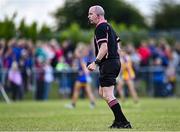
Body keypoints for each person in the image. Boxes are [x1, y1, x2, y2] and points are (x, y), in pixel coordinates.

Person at [87, 5, 132, 129]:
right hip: (113, 62)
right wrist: (116, 59)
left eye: (91, 14)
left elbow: (104, 47)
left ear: (98, 15)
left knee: (108, 94)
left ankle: (123, 122)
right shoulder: (109, 26)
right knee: (103, 92)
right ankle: (119, 121)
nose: (89, 16)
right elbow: (118, 45)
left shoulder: (100, 27)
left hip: (108, 63)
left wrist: (95, 62)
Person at [65, 43, 95, 109]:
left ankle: (73, 104)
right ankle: (92, 103)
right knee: (87, 90)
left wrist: (86, 74)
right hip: (84, 76)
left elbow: (84, 67)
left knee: (77, 90)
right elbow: (76, 54)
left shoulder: (82, 58)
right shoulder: (84, 57)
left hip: (82, 76)